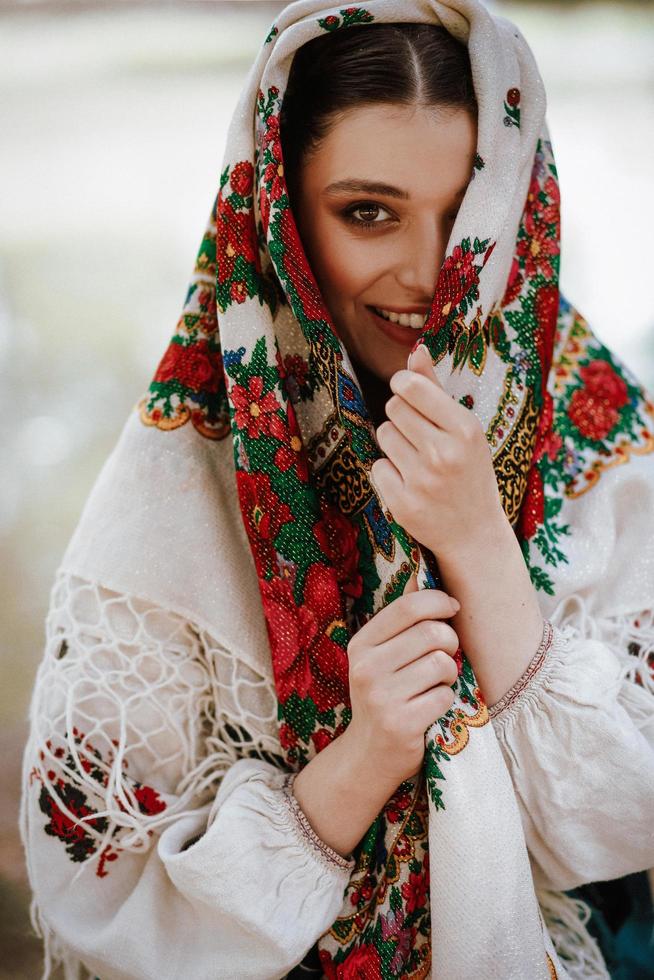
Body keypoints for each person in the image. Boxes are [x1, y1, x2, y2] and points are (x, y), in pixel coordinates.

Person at [20, 1, 654, 978]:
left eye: (469, 215)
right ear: (278, 211)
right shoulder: (184, 472)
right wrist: (359, 763)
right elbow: (104, 903)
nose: (428, 274)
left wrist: (482, 543)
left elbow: (628, 824)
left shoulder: (596, 431)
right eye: (369, 211)